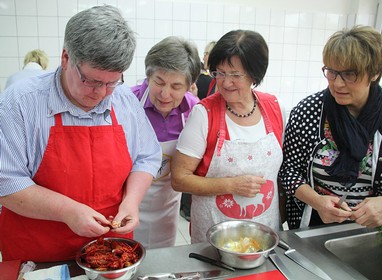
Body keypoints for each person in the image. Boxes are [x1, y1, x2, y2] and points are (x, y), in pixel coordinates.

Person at [0, 5, 162, 262]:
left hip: (112, 253)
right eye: (91, 81)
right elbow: (6, 182)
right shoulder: (21, 103)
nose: (101, 93)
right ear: (66, 58)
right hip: (38, 255)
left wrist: (131, 201)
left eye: (112, 82)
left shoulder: (124, 101)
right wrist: (67, 211)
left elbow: (147, 157)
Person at [171, 30, 285, 243]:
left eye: (235, 75)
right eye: (219, 73)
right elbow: (179, 179)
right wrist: (232, 186)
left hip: (264, 232)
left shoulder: (275, 108)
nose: (225, 82)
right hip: (214, 235)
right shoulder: (203, 114)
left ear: (254, 74)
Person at [279, 25, 382, 230]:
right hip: (315, 224)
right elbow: (289, 170)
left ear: (374, 72)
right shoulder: (309, 110)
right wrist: (317, 201)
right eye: (331, 72)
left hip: (374, 229)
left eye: (350, 74)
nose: (337, 84)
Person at [130, 36, 200, 248]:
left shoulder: (195, 111)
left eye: (176, 86)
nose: (165, 94)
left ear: (189, 86)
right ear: (148, 76)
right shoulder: (127, 102)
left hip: (167, 206)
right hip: (128, 204)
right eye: (159, 82)